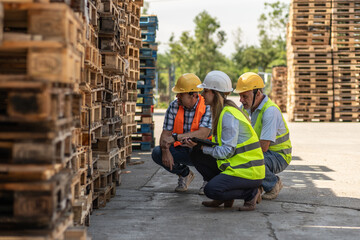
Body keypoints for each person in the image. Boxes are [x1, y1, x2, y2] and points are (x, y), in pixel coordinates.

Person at [183, 70, 265, 211]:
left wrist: (204, 148)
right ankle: (226, 195)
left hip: (249, 172)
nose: (202, 95)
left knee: (210, 190)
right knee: (196, 153)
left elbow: (227, 151)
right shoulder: (221, 112)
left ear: (215, 93)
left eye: (206, 91)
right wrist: (199, 146)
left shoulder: (228, 115)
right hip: (239, 167)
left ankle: (251, 193)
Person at [234, 72, 292, 200]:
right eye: (240, 96)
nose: (241, 100)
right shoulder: (246, 108)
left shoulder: (270, 111)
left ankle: (273, 183)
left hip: (279, 155)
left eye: (245, 96)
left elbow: (264, 147)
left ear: (258, 93)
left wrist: (238, 151)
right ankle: (258, 184)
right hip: (266, 153)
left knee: (249, 159)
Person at [152, 73, 212, 193]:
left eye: (180, 93)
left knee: (212, 153)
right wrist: (165, 151)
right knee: (157, 153)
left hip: (204, 151)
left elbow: (203, 133)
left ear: (193, 95)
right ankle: (184, 174)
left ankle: (209, 179)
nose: (177, 96)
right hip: (182, 150)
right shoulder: (174, 106)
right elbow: (165, 134)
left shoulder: (207, 106)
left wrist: (176, 137)